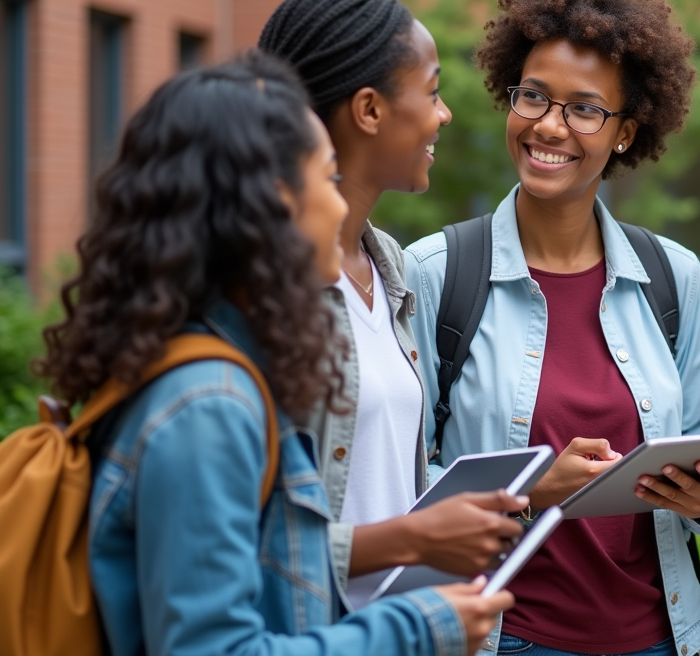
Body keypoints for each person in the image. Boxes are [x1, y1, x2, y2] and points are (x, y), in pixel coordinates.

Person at [38, 53, 511, 656]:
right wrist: (419, 627)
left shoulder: (216, 366)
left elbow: (273, 559)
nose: (341, 205)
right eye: (325, 177)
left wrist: (413, 545)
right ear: (267, 207)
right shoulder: (210, 404)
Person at [404, 0, 700, 656]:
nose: (549, 126)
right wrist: (529, 489)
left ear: (624, 132)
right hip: (503, 637)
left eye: (584, 108)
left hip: (660, 638)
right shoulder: (435, 273)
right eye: (533, 97)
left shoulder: (674, 278)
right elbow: (397, 486)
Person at [258, 0, 527, 611]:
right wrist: (412, 538)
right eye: (431, 92)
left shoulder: (392, 272)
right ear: (370, 110)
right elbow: (237, 547)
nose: (444, 114)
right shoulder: (266, 289)